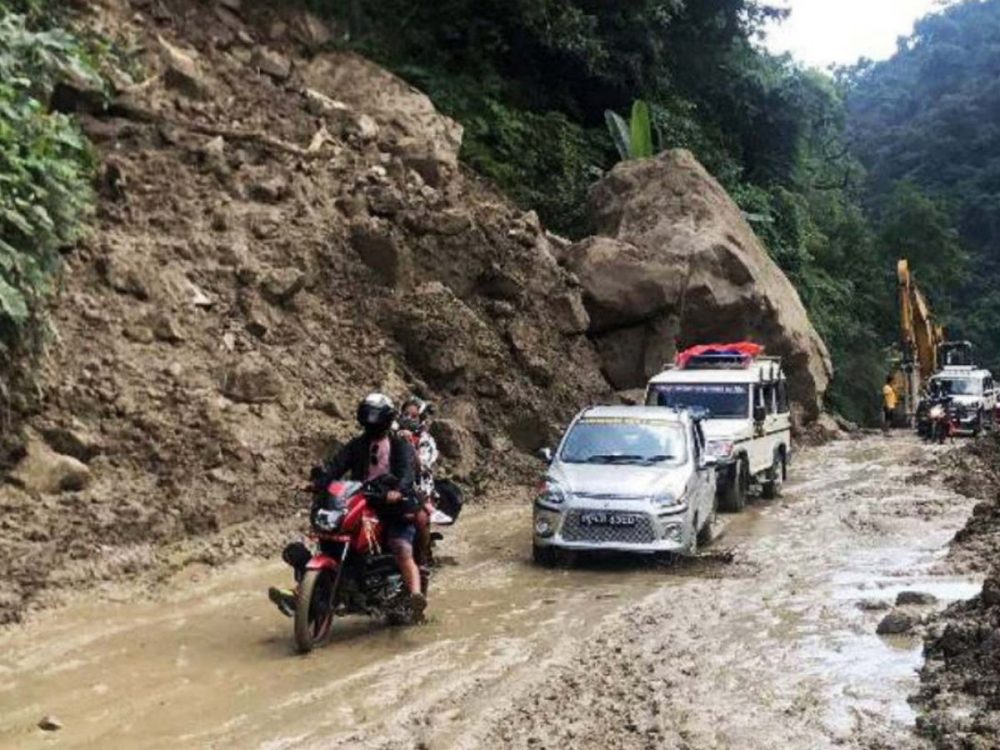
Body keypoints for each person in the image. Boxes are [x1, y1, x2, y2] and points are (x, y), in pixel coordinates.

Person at [269, 393, 426, 618]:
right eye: (368, 420)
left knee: (400, 546)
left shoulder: (400, 445)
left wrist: (398, 491)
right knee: (333, 536)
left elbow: (406, 473)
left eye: (376, 420)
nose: (372, 425)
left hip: (394, 507)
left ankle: (415, 595)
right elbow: (336, 467)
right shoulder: (357, 445)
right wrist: (315, 484)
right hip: (362, 501)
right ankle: (306, 592)